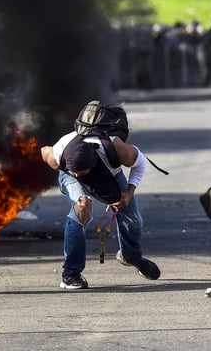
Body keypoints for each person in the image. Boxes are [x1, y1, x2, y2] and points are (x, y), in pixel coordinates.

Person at [40, 111, 161, 289]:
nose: (78, 174)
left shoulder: (116, 150)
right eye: (76, 171)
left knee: (134, 221)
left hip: (109, 170)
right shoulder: (58, 156)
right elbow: (44, 150)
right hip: (68, 175)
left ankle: (130, 256)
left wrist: (129, 192)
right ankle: (71, 274)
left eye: (81, 172)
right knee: (82, 207)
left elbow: (141, 162)